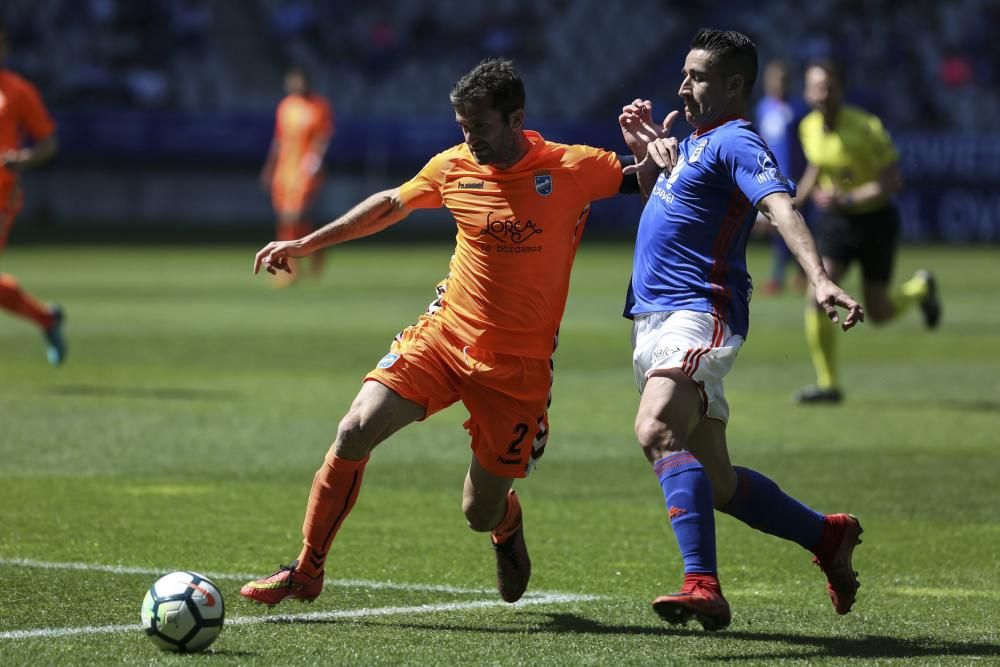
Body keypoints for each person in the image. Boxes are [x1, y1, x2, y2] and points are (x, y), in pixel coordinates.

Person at [241, 58, 628, 606]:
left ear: (516, 118)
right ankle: (307, 569)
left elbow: (646, 178)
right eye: (462, 126)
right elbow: (391, 205)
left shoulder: (572, 167)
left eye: (480, 127)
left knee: (478, 511)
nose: (469, 139)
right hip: (444, 337)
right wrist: (306, 244)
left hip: (516, 369)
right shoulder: (453, 166)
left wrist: (665, 152)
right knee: (354, 429)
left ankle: (505, 521)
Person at [618, 29, 865, 631]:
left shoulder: (736, 140)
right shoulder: (691, 143)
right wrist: (647, 158)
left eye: (697, 76)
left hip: (698, 311)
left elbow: (781, 205)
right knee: (720, 483)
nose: (683, 85)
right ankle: (825, 535)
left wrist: (819, 277)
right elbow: (665, 210)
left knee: (655, 427)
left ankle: (702, 584)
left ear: (733, 85)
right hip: (653, 318)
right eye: (684, 73)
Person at [793, 60, 940, 404]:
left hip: (874, 221)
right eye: (816, 87)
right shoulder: (807, 127)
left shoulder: (866, 126)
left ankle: (921, 287)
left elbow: (893, 180)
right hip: (837, 224)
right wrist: (793, 202)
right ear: (807, 91)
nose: (822, 94)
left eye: (828, 87)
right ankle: (828, 384)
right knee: (819, 293)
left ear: (840, 90)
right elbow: (819, 164)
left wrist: (847, 196)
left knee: (879, 312)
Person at [0, 22, 64, 365]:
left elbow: (48, 144)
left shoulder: (18, 91)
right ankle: (47, 318)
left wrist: (20, 158)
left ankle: (46, 318)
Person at [260, 65, 333, 285]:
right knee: (286, 218)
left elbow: (322, 138)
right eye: (292, 81)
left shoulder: (319, 106)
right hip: (285, 170)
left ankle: (290, 268)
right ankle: (317, 249)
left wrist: (314, 163)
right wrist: (270, 167)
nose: (295, 85)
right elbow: (279, 140)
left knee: (296, 215)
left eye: (298, 81)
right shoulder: (286, 107)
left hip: (304, 169)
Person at [754, 59, 806, 295]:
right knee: (780, 227)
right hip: (771, 177)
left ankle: (779, 276)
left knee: (787, 225)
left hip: (794, 178)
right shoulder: (763, 108)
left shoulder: (798, 109)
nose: (779, 84)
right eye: (775, 79)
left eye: (783, 80)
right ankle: (801, 273)